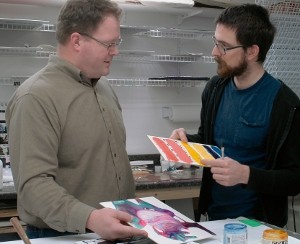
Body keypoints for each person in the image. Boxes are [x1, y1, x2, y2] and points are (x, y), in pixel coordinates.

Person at [5, 0, 147, 240]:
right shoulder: (36, 97)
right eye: (109, 44)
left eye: (117, 43)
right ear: (77, 41)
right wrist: (91, 219)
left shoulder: (104, 89)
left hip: (116, 232)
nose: (115, 51)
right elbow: (33, 187)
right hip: (62, 234)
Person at [170, 4, 300, 227]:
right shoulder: (215, 88)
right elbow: (209, 140)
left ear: (251, 51)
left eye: (224, 47)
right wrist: (186, 142)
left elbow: (295, 179)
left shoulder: (286, 104)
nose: (214, 52)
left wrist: (245, 175)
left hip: (260, 227)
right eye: (215, 42)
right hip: (214, 220)